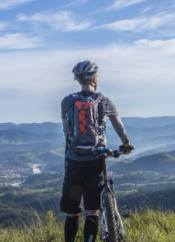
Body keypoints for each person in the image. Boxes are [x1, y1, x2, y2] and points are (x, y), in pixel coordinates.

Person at [60, 60, 133, 242]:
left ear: (78, 80)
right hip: (97, 160)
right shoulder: (105, 101)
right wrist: (126, 143)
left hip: (74, 160)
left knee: (72, 211)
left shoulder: (67, 101)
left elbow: (67, 131)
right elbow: (119, 126)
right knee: (92, 210)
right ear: (94, 78)